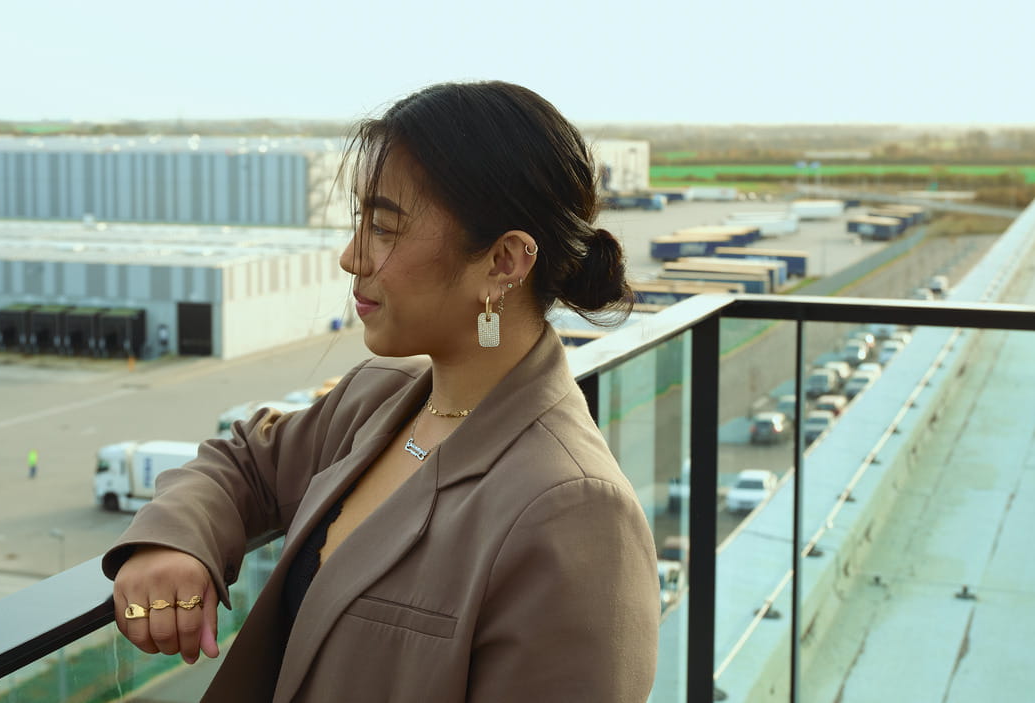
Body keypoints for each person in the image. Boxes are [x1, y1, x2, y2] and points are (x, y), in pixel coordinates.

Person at [104, 80, 660, 702]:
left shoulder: (574, 509)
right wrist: (172, 541)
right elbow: (242, 462)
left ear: (504, 263)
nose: (350, 256)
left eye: (384, 227)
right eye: (357, 220)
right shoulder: (378, 401)